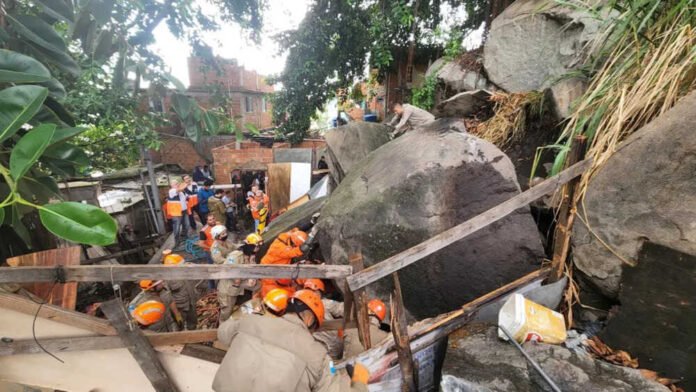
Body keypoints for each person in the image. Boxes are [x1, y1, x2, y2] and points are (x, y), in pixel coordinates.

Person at [212, 289, 370, 392]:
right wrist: (360, 381)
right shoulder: (317, 356)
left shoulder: (248, 321)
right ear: (309, 320)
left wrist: (249, 312)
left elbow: (222, 333)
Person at [259, 229, 309, 298]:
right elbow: (294, 252)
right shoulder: (280, 249)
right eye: (296, 246)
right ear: (294, 244)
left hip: (277, 265)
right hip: (268, 269)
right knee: (270, 289)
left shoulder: (286, 236)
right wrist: (303, 248)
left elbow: (294, 230)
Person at [210, 225, 244, 321]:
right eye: (223, 234)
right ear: (217, 236)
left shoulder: (227, 242)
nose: (225, 235)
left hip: (231, 268)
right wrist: (232, 259)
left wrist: (242, 246)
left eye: (225, 233)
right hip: (222, 271)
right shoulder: (215, 248)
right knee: (225, 292)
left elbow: (234, 246)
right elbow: (219, 260)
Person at [162, 252, 199, 330]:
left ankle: (193, 333)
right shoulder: (166, 280)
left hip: (191, 303)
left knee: (193, 322)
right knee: (179, 325)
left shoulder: (184, 270)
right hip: (180, 307)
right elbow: (169, 298)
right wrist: (176, 314)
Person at [165, 180, 189, 245]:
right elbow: (179, 190)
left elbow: (186, 197)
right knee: (177, 227)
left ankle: (184, 236)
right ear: (171, 186)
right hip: (177, 213)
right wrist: (185, 184)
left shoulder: (181, 192)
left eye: (177, 183)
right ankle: (177, 242)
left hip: (184, 211)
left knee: (186, 225)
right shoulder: (172, 191)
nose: (177, 184)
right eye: (175, 184)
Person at [198, 214, 218, 289]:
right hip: (210, 252)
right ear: (206, 221)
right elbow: (200, 244)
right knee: (211, 270)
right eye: (210, 220)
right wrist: (211, 248)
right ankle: (212, 288)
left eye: (213, 218)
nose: (212, 221)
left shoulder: (218, 225)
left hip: (219, 250)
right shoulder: (204, 231)